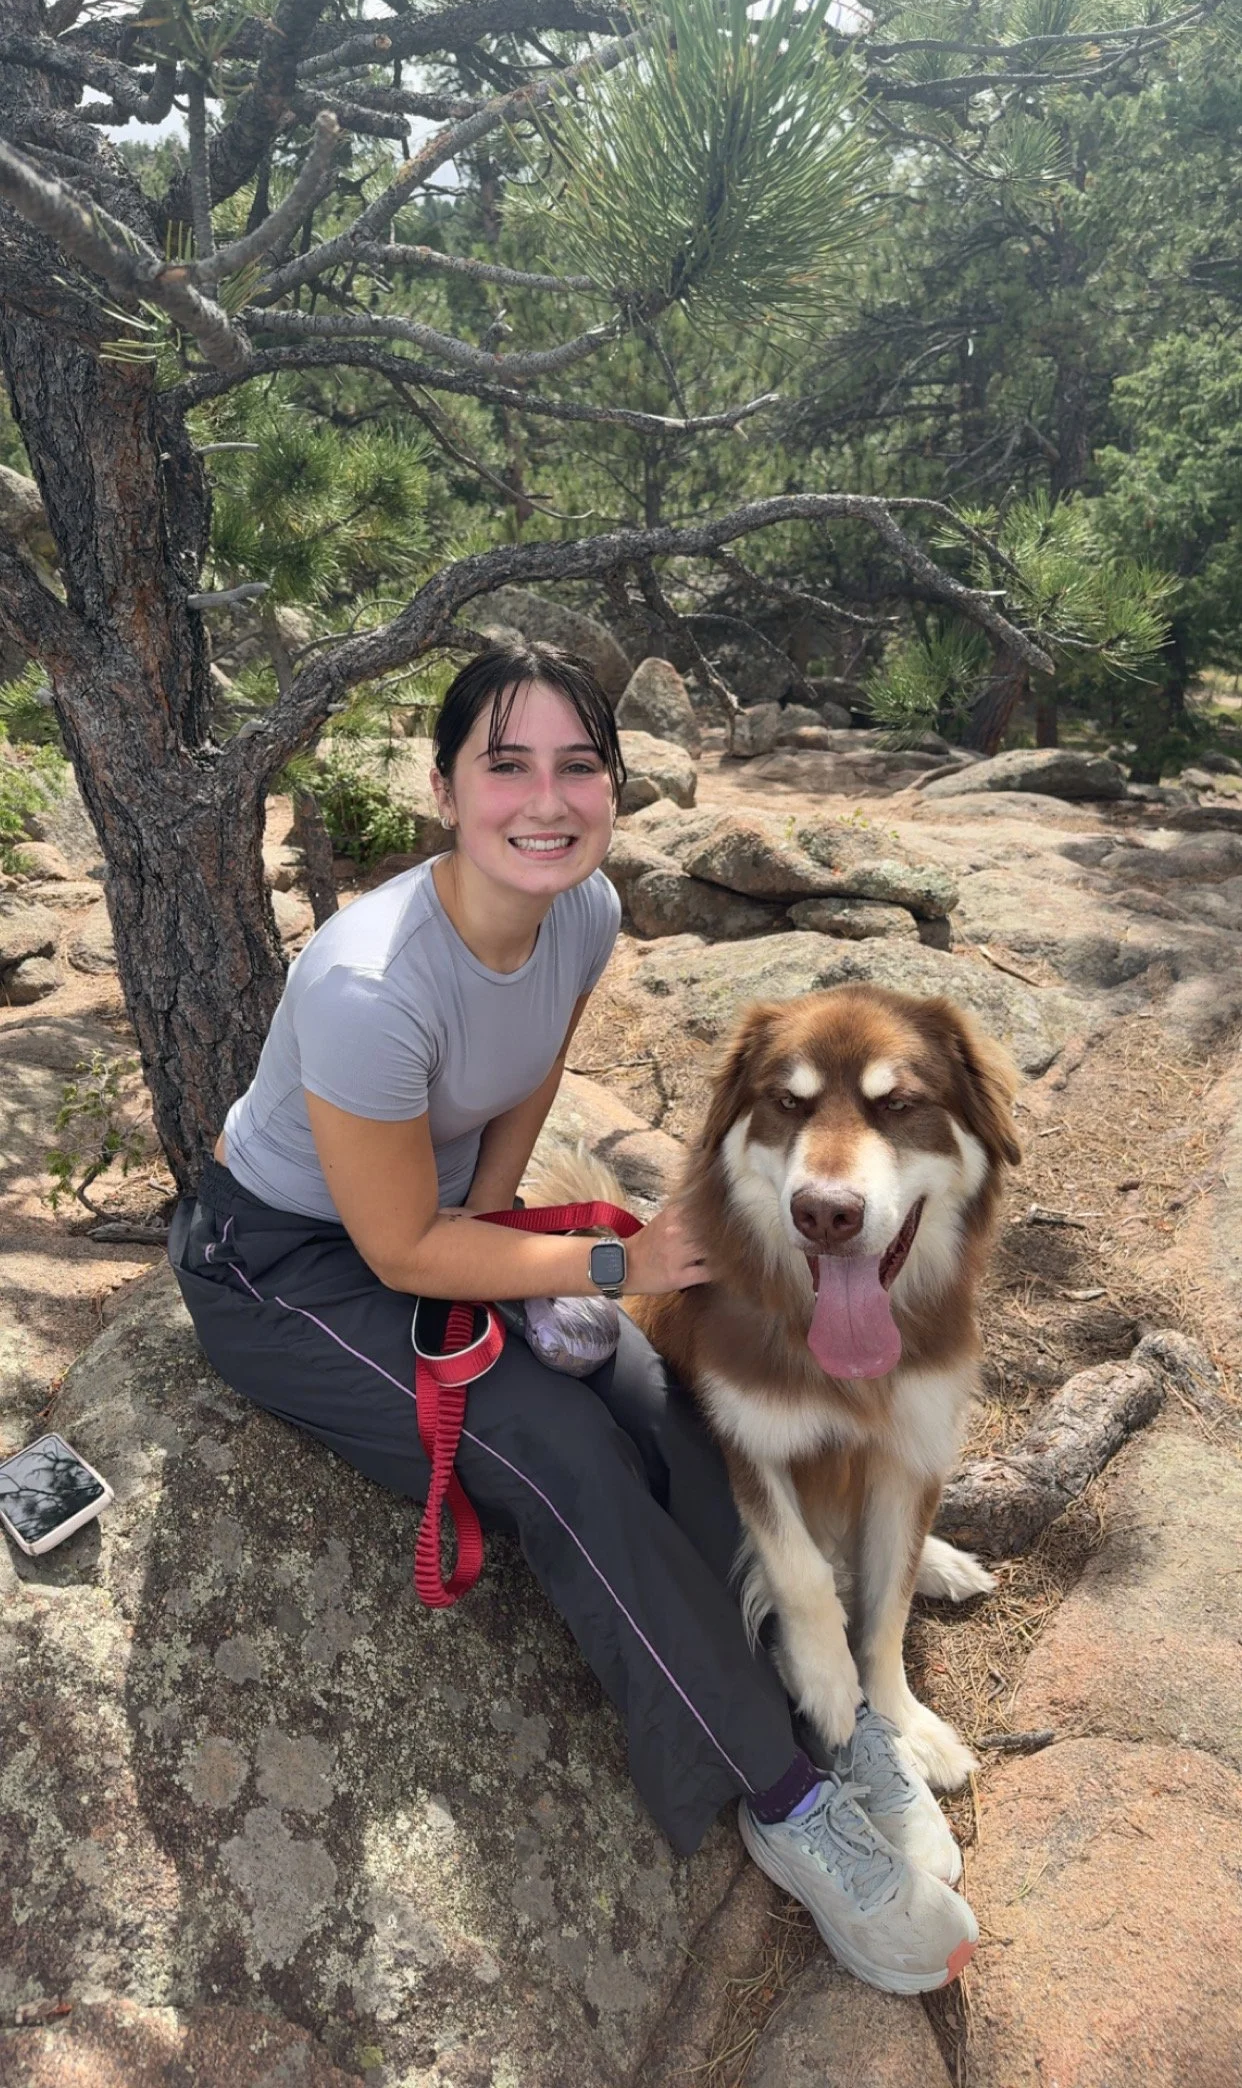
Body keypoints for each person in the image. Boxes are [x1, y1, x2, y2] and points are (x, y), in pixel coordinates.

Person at [168, 642, 977, 1996]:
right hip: (287, 1265)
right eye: (505, 765)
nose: (545, 799)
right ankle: (783, 1802)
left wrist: (518, 1233)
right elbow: (393, 1248)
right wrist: (601, 1271)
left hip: (443, 1225)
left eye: (577, 765)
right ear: (441, 790)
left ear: (608, 787)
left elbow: (526, 1079)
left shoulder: (582, 911)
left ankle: (832, 1706)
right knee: (565, 1453)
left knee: (676, 1421)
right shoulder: (372, 982)